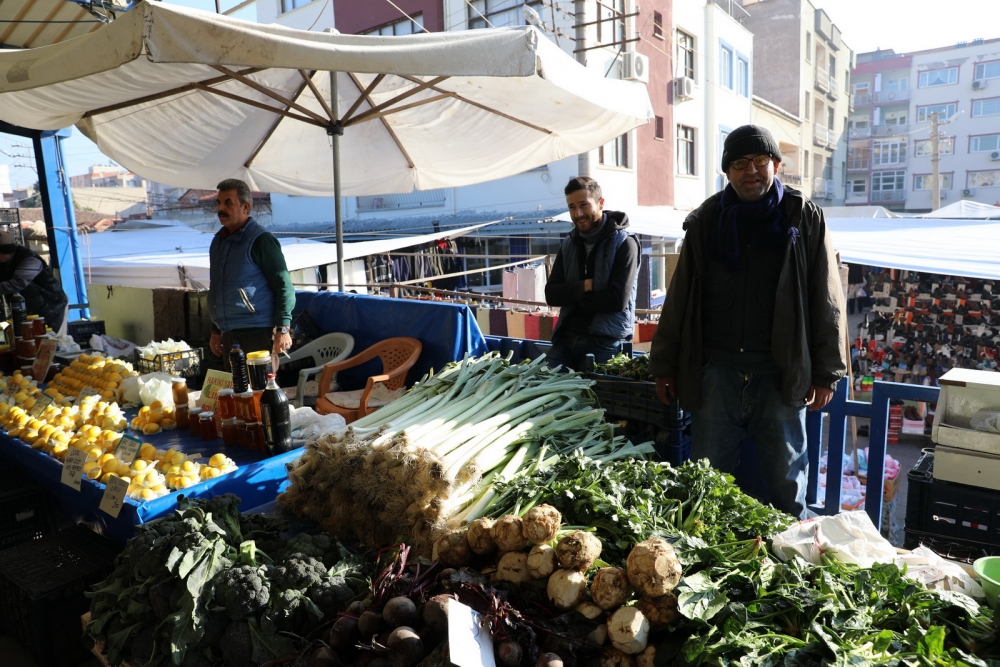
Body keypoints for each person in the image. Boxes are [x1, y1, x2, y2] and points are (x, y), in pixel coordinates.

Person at [648, 125, 848, 518]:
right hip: (716, 373)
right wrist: (664, 364)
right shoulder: (707, 220)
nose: (750, 170)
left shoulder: (803, 217)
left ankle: (790, 565)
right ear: (728, 171)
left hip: (778, 373)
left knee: (787, 484)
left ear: (776, 164)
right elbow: (681, 297)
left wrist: (827, 372)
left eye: (759, 161)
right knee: (706, 483)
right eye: (739, 163)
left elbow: (826, 297)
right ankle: (703, 560)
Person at [544, 176, 641, 371]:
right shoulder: (569, 244)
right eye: (571, 207)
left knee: (595, 399)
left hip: (605, 340)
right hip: (565, 336)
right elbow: (551, 294)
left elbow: (617, 300)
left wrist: (573, 295)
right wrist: (586, 286)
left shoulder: (625, 243)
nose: (578, 213)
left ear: (600, 203)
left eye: (583, 205)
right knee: (542, 393)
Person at [208, 179, 295, 372]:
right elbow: (217, 289)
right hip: (229, 334)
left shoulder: (261, 240)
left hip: (258, 332)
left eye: (228, 202)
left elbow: (284, 287)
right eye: (218, 203)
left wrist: (282, 329)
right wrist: (215, 330)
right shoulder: (218, 242)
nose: (221, 208)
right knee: (235, 396)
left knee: (260, 394)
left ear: (246, 207)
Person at [0, 229, 69, 332]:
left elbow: (18, 283)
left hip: (51, 307)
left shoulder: (29, 259)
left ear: (6, 252)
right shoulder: (4, 262)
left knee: (49, 341)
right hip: (27, 309)